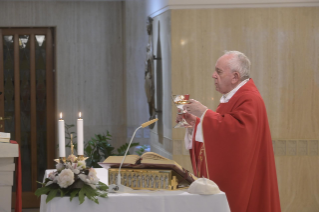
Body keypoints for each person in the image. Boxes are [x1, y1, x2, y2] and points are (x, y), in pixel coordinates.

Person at [177, 51, 281, 212]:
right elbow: (223, 127)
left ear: (235, 77)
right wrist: (196, 123)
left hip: (245, 181)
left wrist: (204, 113)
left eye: (218, 72)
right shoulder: (232, 98)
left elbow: (238, 134)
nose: (213, 75)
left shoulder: (249, 98)